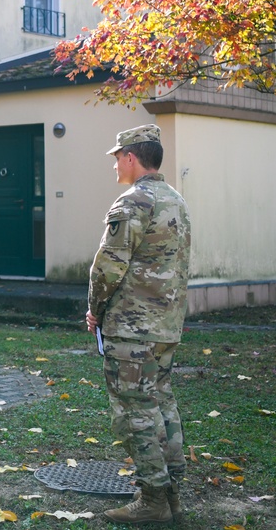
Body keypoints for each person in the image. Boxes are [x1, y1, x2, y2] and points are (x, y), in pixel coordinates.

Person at [84, 124, 191, 525]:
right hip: (165, 326)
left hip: (132, 329)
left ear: (131, 157)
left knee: (134, 411)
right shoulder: (175, 200)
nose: (114, 164)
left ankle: (153, 499)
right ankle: (171, 492)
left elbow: (108, 266)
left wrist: (95, 307)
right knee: (162, 405)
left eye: (117, 157)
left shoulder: (133, 202)